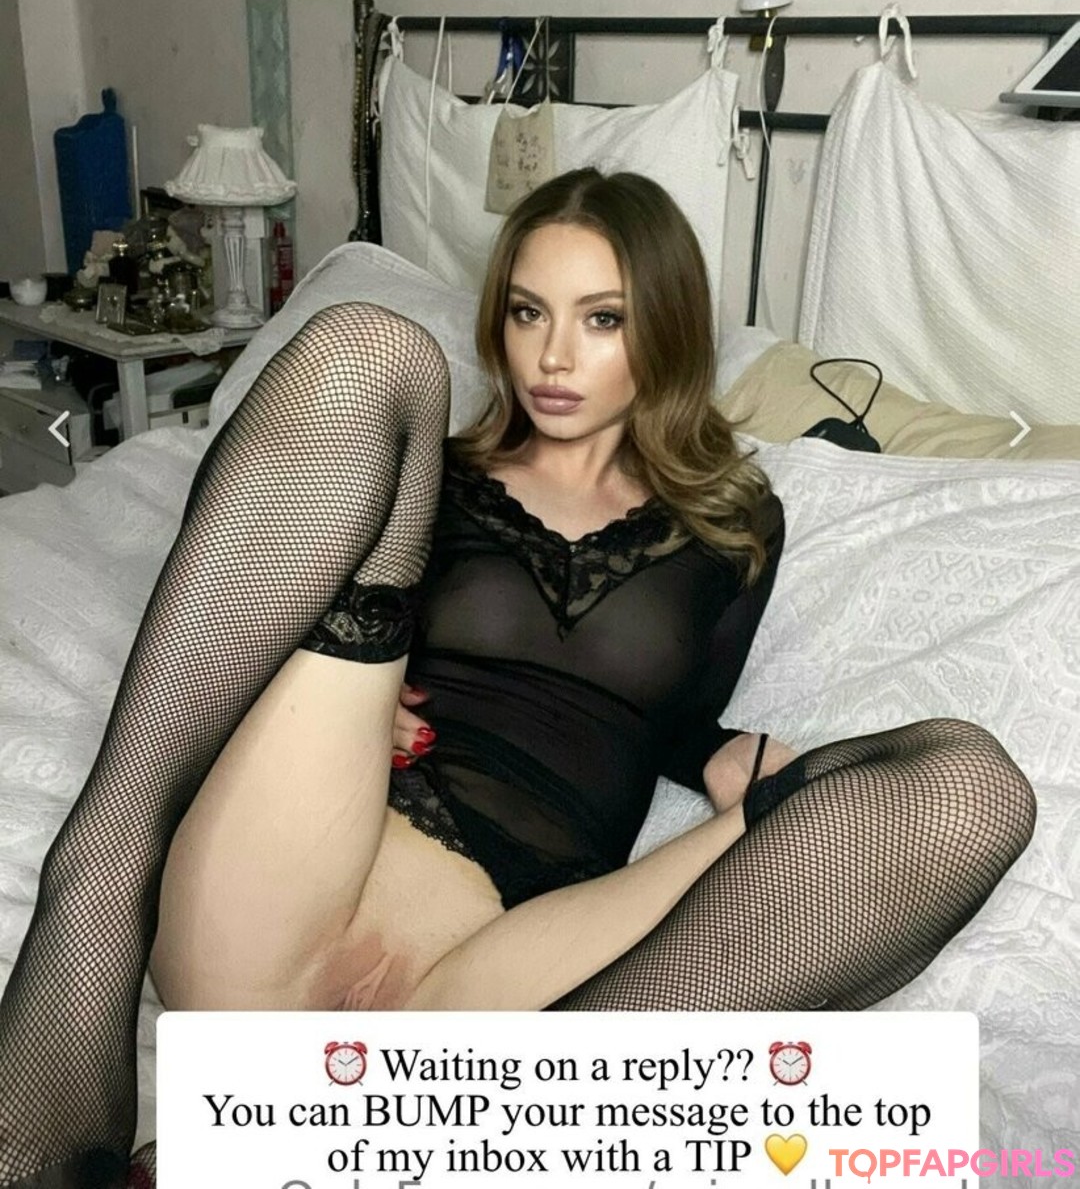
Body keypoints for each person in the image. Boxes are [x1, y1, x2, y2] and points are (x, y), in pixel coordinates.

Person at [0, 169, 1035, 1189]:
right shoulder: (428, 474)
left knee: (965, 790)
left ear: (668, 331)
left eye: (601, 319)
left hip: (500, 979)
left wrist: (724, 757)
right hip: (290, 900)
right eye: (528, 311)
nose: (552, 355)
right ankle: (103, 869)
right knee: (373, 351)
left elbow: (676, 712)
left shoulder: (736, 523)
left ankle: (349, 1137)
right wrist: (340, 689)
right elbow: (238, 599)